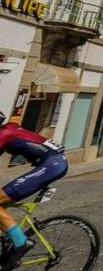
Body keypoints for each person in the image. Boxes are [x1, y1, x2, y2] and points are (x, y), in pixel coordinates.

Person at [0, 112, 69, 268]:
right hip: (51, 163)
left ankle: (21, 242)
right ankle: (8, 239)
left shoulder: (5, 133)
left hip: (52, 165)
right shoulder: (9, 128)